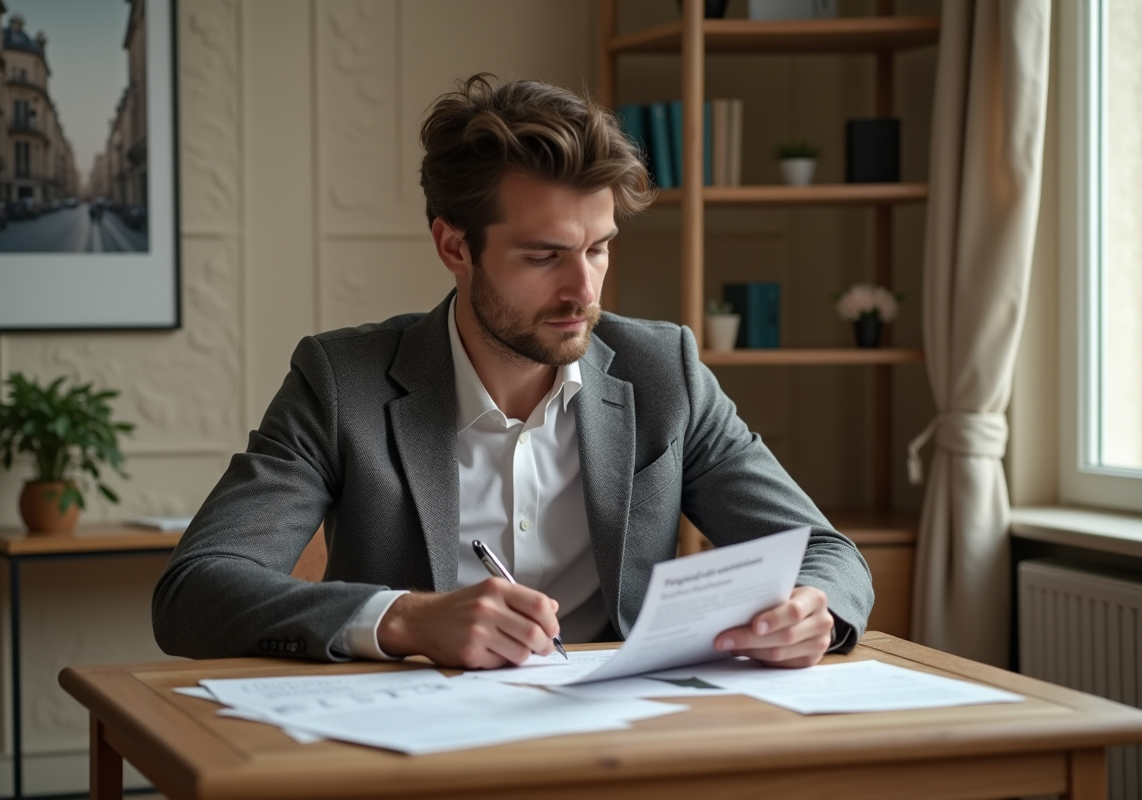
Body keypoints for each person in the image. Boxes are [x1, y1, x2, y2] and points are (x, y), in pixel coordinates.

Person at [152, 74, 873, 670]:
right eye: (543, 256)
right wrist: (407, 620)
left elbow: (827, 554)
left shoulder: (664, 372)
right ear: (454, 247)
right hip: (418, 747)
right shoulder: (343, 381)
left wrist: (813, 609)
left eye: (598, 249)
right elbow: (194, 591)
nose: (583, 291)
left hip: (626, 739)